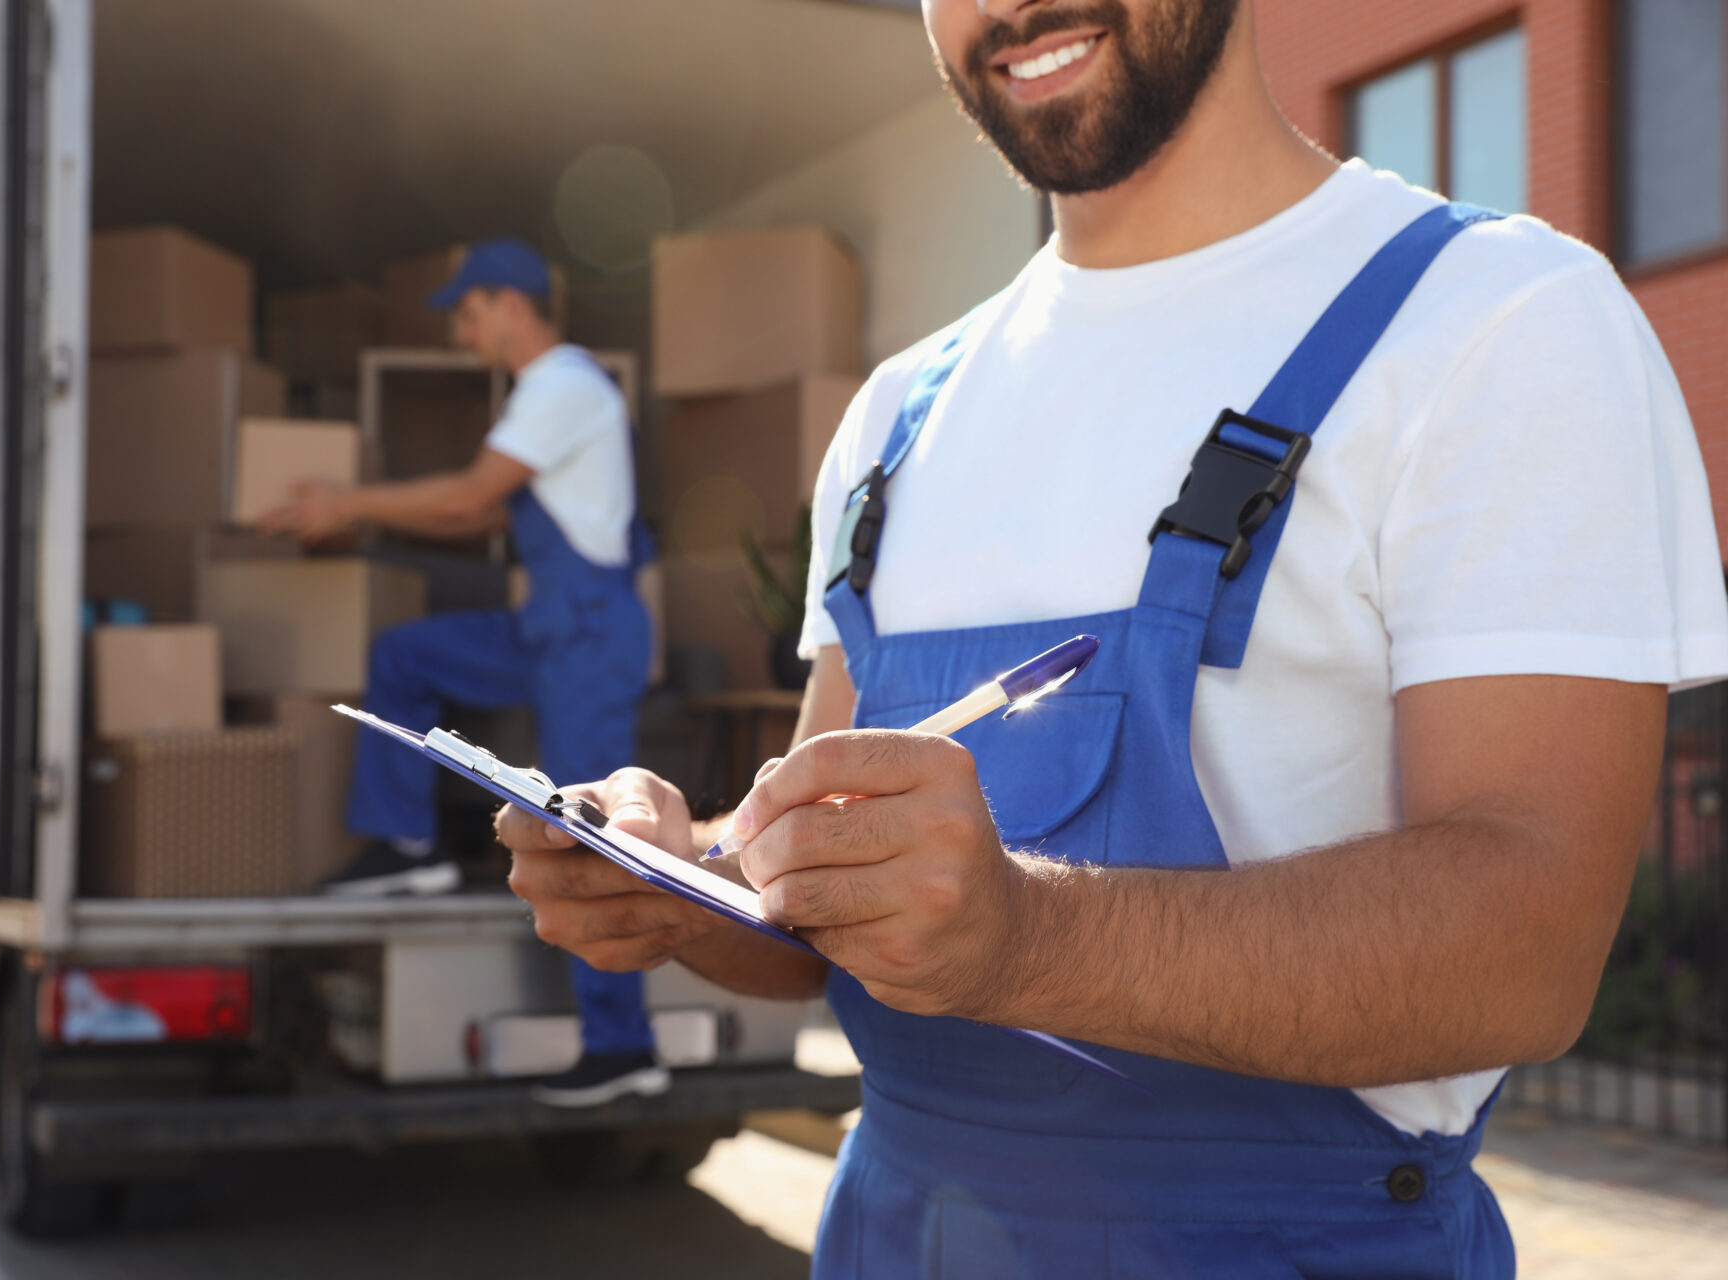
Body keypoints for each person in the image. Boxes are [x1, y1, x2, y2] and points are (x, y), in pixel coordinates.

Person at [497, 0, 1728, 1274]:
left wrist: (1024, 936)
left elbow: (1530, 949)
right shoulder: (896, 419)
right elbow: (806, 905)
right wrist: (674, 881)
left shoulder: (1497, 323)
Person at [261, 238, 668, 1108]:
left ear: (510, 305)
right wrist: (363, 528)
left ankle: (623, 1044)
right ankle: (410, 846)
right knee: (406, 656)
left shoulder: (563, 383)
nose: (462, 330)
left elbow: (468, 498)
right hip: (552, 623)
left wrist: (349, 503)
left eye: (469, 311)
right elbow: (464, 514)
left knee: (588, 827)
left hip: (587, 632)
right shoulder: (545, 392)